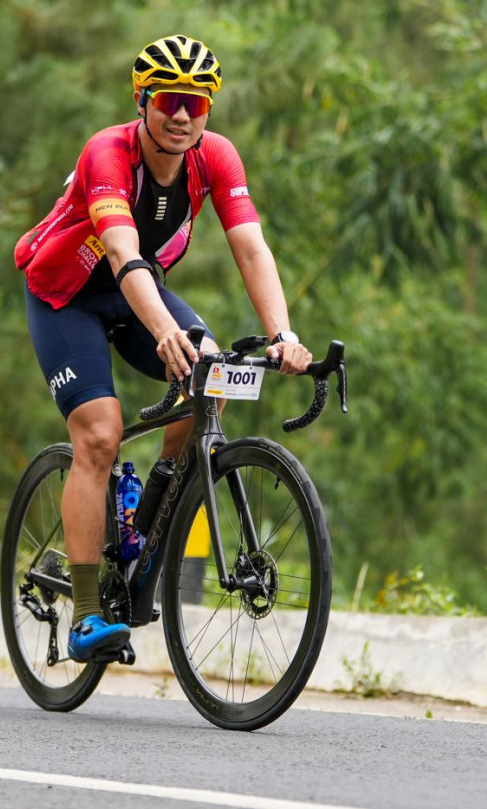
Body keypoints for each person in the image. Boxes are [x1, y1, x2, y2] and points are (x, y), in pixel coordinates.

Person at [15, 34, 312, 661]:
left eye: (195, 104)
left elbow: (251, 248)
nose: (182, 115)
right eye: (169, 100)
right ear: (142, 100)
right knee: (100, 436)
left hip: (138, 292)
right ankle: (87, 614)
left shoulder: (216, 157)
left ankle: (145, 519)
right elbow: (121, 251)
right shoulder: (108, 153)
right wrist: (163, 331)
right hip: (67, 297)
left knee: (213, 378)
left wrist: (283, 334)